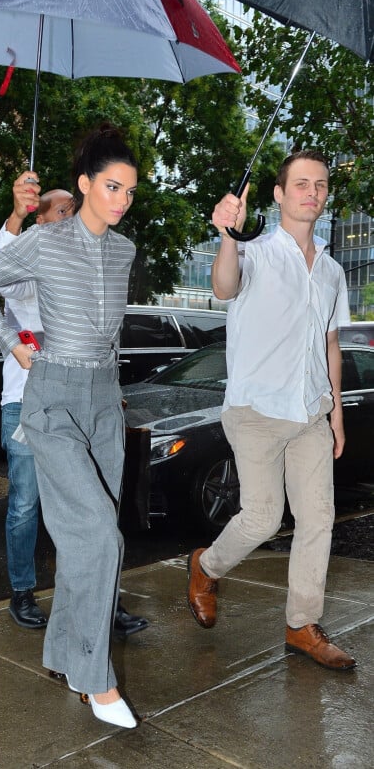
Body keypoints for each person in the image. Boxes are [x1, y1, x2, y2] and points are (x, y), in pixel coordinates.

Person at [0, 125, 140, 728]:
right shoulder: (46, 241)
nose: (121, 199)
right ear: (86, 184)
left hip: (102, 401)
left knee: (85, 541)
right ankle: (96, 679)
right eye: (111, 186)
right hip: (52, 397)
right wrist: (13, 342)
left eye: (130, 191)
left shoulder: (125, 251)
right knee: (100, 538)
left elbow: (107, 329)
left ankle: (63, 653)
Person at [187, 150, 356, 671]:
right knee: (261, 517)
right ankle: (205, 566)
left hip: (310, 413)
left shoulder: (330, 270)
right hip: (257, 410)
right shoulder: (254, 250)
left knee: (318, 518)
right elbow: (223, 287)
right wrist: (225, 235)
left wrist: (337, 414)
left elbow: (330, 345)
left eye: (321, 185)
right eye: (301, 184)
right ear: (279, 195)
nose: (313, 192)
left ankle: (301, 624)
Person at [0, 177, 149, 638]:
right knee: (26, 505)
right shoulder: (31, 257)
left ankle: (101, 602)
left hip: (86, 402)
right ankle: (22, 592)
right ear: (41, 221)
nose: (71, 215)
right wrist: (17, 216)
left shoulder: (95, 260)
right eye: (61, 210)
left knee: (93, 507)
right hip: (27, 404)